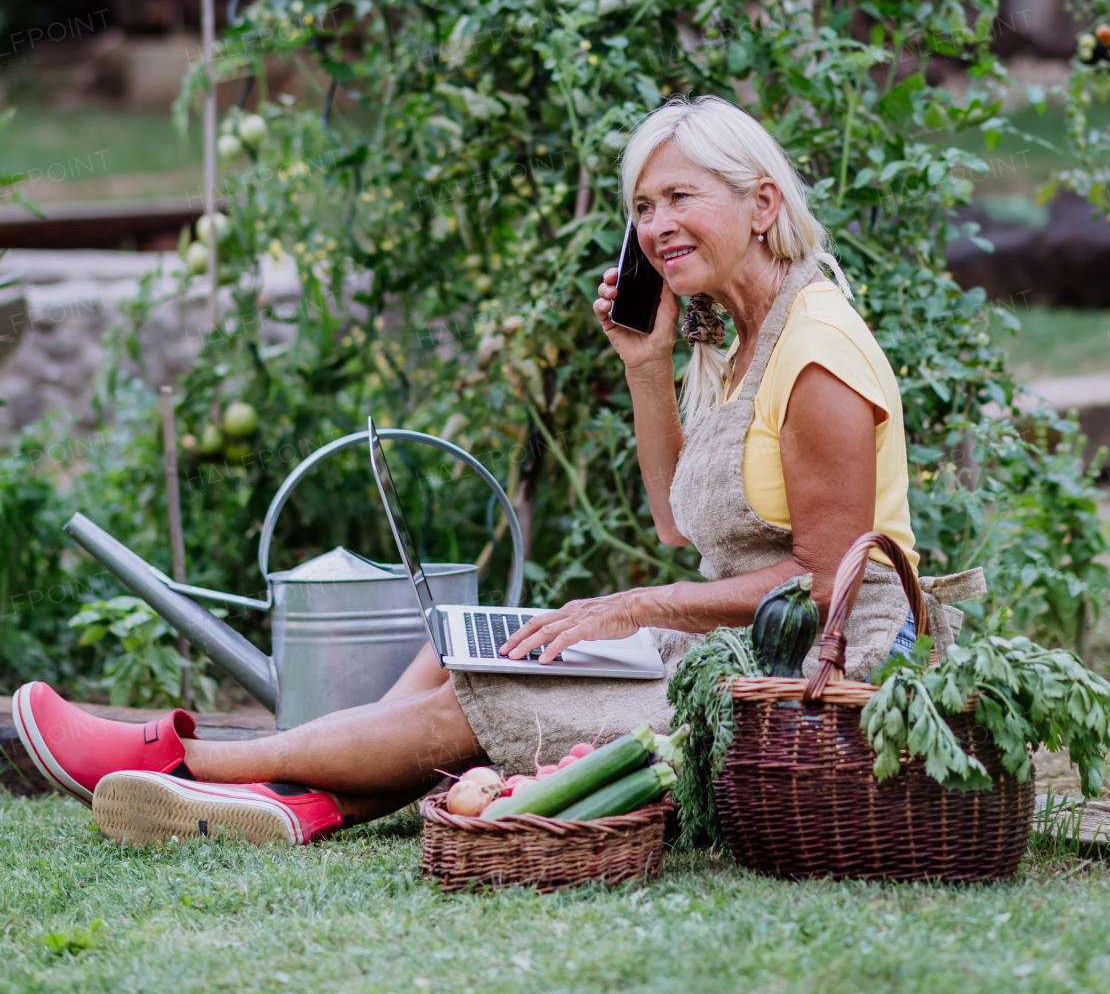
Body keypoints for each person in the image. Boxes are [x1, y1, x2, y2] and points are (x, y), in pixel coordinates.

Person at [14, 95, 972, 848]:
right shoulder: (724, 336)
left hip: (819, 672)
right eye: (642, 205)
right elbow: (682, 522)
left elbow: (830, 573)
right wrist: (646, 366)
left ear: (763, 204)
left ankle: (187, 760)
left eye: (682, 197)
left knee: (494, 697)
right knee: (471, 645)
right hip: (732, 648)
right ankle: (299, 802)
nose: (655, 225)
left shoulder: (817, 352)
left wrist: (638, 606)